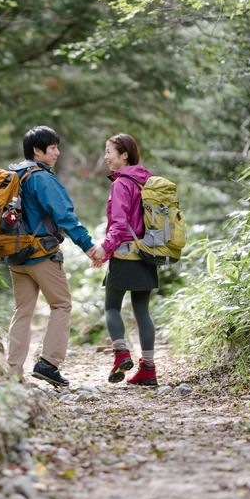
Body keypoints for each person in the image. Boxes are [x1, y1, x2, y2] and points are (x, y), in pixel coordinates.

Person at [6, 125, 104, 387]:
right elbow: (65, 217)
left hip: (16, 255)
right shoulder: (42, 178)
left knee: (22, 311)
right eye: (53, 148)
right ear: (37, 151)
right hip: (42, 255)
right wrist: (88, 247)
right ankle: (48, 363)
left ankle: (13, 372)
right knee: (61, 305)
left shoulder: (14, 175)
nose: (58, 153)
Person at [93, 133, 160, 386]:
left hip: (125, 254)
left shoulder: (121, 183)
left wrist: (104, 250)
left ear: (124, 155)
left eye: (109, 151)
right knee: (142, 311)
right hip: (147, 253)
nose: (106, 157)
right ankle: (149, 370)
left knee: (111, 307)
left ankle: (121, 354)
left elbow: (119, 225)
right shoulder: (147, 181)